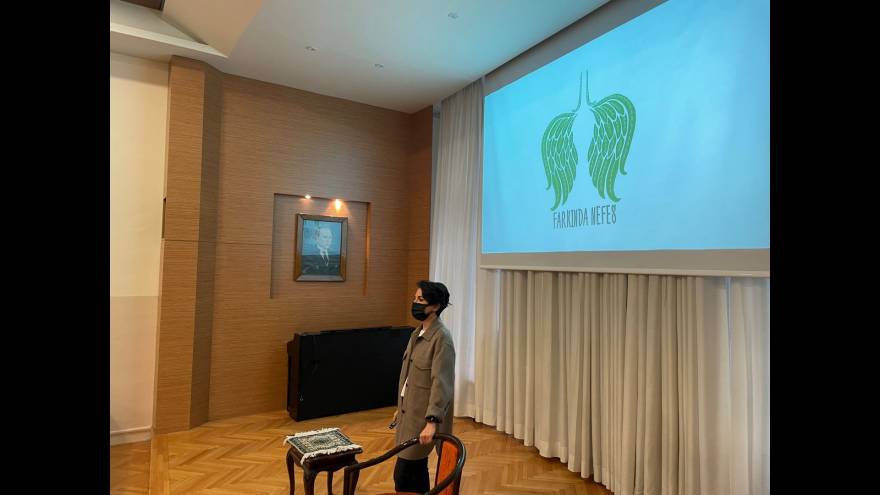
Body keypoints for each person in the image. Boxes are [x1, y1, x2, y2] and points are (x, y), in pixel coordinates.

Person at [391, 280, 455, 493]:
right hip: (408, 413)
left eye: (420, 300)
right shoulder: (417, 333)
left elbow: (441, 383)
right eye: (414, 298)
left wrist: (432, 422)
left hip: (422, 419)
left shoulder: (442, 338)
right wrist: (400, 406)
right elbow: (410, 376)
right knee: (414, 472)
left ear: (435, 306)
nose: (415, 303)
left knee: (404, 474)